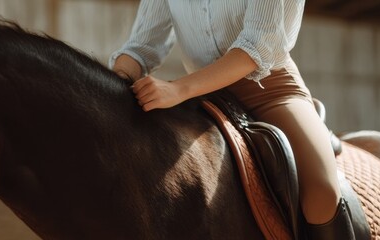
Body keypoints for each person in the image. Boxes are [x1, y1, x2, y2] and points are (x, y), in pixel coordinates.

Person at [110, 1, 363, 239]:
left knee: (321, 192)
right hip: (203, 97)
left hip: (270, 91)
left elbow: (257, 45)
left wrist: (177, 89)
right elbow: (140, 48)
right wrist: (112, 87)